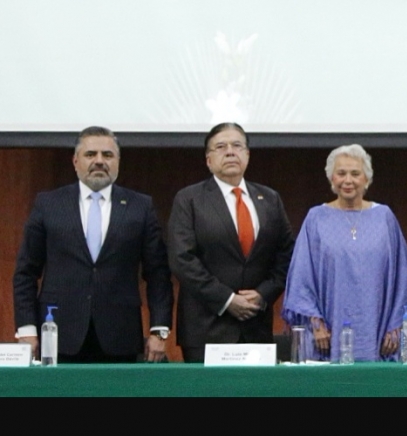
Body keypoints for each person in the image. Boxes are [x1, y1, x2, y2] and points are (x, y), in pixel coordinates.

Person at [12, 126, 173, 363]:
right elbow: (26, 272)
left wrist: (159, 330)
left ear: (118, 162)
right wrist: (26, 329)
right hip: (57, 335)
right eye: (90, 154)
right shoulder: (48, 204)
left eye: (107, 155)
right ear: (75, 161)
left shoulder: (141, 206)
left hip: (120, 337)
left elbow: (158, 274)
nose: (99, 161)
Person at [167, 122, 294, 363]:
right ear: (208, 160)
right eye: (221, 147)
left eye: (237, 146)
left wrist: (263, 294)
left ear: (247, 155)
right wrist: (227, 300)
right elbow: (182, 259)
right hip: (206, 328)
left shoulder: (269, 199)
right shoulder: (190, 199)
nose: (230, 152)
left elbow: (286, 254)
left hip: (256, 327)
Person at [281, 144, 407, 362]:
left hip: (378, 331)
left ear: (367, 179)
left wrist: (396, 325)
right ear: (331, 179)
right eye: (341, 173)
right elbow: (301, 276)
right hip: (326, 334)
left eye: (355, 173)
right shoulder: (316, 218)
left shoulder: (385, 217)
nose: (348, 180)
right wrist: (315, 323)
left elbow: (402, 277)